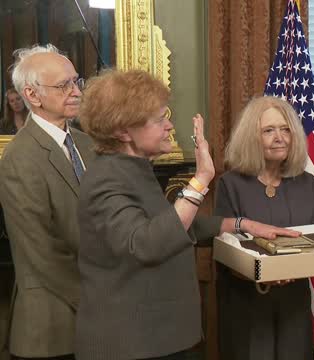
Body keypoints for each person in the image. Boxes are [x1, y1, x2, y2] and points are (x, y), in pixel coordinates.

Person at [74, 70, 299, 360]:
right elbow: (147, 243)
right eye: (158, 120)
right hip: (131, 344)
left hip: (157, 339)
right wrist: (202, 178)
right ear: (123, 131)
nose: (169, 125)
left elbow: (170, 225)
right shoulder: (107, 178)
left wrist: (242, 224)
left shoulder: (132, 169)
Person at [215, 96, 314, 360]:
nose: (280, 137)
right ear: (250, 137)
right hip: (247, 308)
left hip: (294, 307)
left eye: (285, 129)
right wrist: (261, 273)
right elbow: (225, 254)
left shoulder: (309, 185)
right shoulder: (230, 185)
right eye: (269, 130)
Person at [0, 44, 94, 360]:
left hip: (98, 320)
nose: (76, 92)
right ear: (33, 95)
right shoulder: (19, 157)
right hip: (52, 327)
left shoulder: (86, 143)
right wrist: (99, 298)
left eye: (76, 81)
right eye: (63, 85)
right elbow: (40, 249)